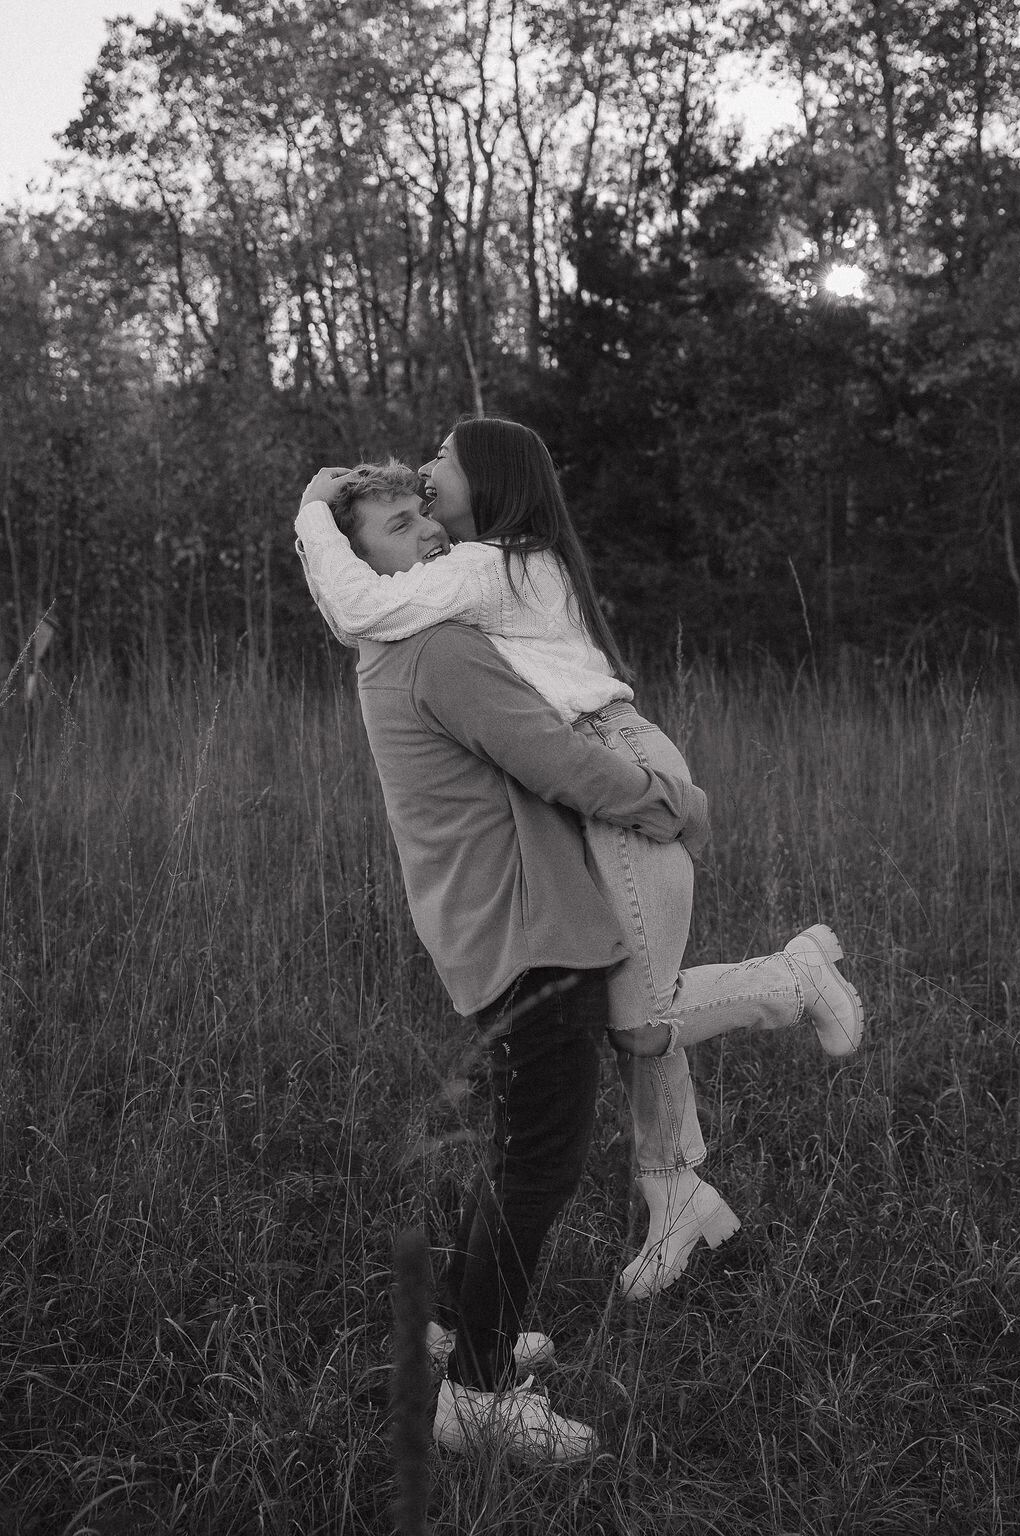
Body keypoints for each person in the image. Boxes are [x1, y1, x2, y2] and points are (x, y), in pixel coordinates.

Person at [297, 427, 864, 1303]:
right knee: (638, 1005)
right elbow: (359, 610)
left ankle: (791, 981)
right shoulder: (471, 589)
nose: (426, 475)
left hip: (616, 761)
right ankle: (672, 1189)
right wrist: (321, 523)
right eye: (403, 511)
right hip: (600, 768)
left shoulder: (496, 567)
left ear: (487, 480)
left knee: (643, 1018)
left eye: (437, 469)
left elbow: (357, 607)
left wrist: (312, 519)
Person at [295, 471, 714, 1463]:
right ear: (363, 561)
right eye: (401, 527)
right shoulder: (437, 649)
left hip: (496, 931)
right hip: (532, 933)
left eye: (421, 514)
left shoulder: (391, 651)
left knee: (520, 1152)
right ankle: (478, 1397)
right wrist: (673, 806)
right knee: (542, 1165)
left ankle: (456, 1332)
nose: (429, 534)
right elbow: (560, 764)